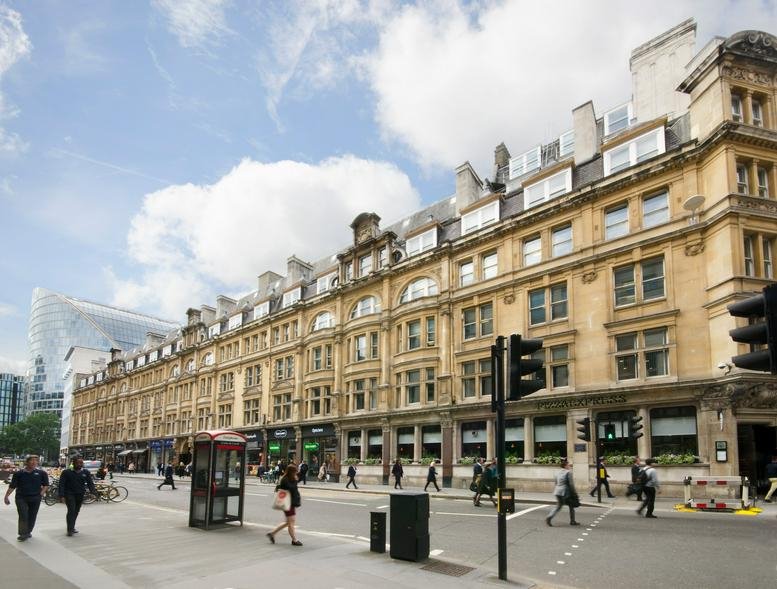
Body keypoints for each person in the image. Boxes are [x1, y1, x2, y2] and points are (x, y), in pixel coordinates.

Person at [3, 455, 49, 542]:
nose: (34, 462)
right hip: (21, 498)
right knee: (23, 515)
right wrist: (6, 496)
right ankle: (23, 534)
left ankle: (28, 531)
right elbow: (12, 486)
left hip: (35, 498)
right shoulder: (19, 473)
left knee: (32, 516)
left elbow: (46, 485)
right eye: (32, 460)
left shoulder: (41, 473)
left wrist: (41, 494)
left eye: (36, 460)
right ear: (27, 462)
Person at [59, 457, 97, 537]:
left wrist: (93, 492)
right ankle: (69, 530)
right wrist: (61, 495)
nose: (79, 464)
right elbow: (61, 484)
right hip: (69, 494)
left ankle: (72, 527)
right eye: (78, 463)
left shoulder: (85, 472)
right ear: (73, 463)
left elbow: (90, 483)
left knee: (76, 511)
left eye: (81, 463)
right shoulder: (66, 472)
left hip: (80, 495)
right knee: (71, 511)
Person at [267, 464, 303, 546]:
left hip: (291, 503)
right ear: (291, 472)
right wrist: (295, 481)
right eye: (295, 471)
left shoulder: (290, 478)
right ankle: (294, 540)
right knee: (291, 522)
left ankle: (272, 533)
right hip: (288, 503)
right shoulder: (285, 479)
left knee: (288, 522)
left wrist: (295, 479)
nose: (296, 473)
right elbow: (291, 488)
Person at [546, 459, 579, 526]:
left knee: (559, 506)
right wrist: (575, 493)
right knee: (571, 505)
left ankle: (549, 517)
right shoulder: (568, 472)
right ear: (565, 466)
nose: (569, 466)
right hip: (565, 493)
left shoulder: (557, 472)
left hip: (557, 491)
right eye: (568, 465)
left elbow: (556, 483)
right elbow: (571, 484)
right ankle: (572, 521)